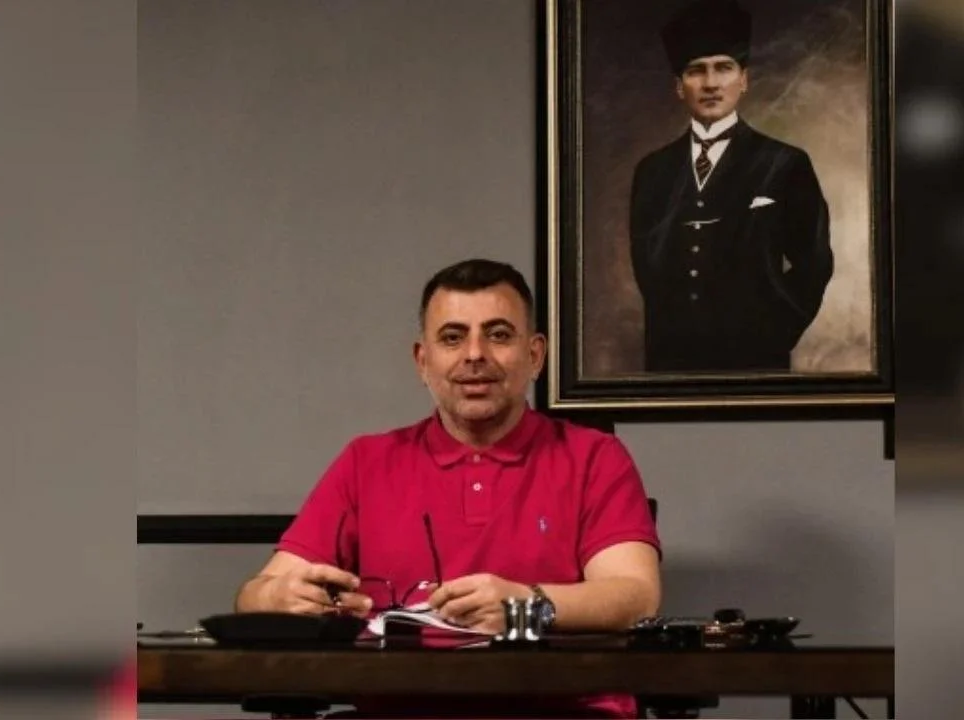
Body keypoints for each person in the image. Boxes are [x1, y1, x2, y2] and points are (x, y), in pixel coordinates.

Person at [235, 258, 662, 718]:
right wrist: (279, 598)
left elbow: (636, 596)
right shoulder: (366, 461)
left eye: (498, 335)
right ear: (423, 361)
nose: (475, 354)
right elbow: (253, 596)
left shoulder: (594, 457)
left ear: (535, 355)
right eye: (453, 337)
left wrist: (525, 606)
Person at [629, 0, 834, 373]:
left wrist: (772, 333)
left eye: (724, 68)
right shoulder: (652, 171)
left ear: (744, 80)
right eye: (696, 70)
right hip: (670, 368)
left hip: (756, 365)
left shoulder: (785, 163)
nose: (710, 83)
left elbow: (815, 263)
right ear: (679, 87)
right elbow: (648, 271)